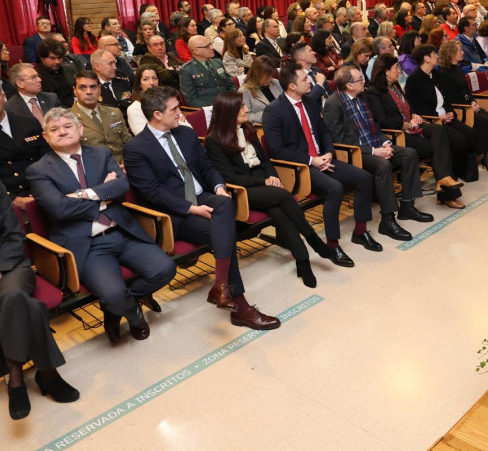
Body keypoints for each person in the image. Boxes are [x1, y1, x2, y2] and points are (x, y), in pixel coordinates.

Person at [124, 86, 281, 330]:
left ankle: (220, 285)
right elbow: (152, 192)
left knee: (225, 201)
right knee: (223, 234)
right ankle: (240, 307)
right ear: (157, 114)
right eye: (175, 109)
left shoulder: (185, 134)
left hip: (203, 196)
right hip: (173, 214)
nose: (181, 113)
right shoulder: (136, 148)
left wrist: (219, 186)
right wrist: (190, 209)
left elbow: (207, 167)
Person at [28, 108, 176, 344]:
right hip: (87, 244)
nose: (62, 132)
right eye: (54, 129)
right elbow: (60, 209)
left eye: (67, 126)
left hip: (122, 231)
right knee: (114, 295)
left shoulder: (100, 153)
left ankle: (118, 307)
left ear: (80, 129)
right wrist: (104, 197)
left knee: (165, 269)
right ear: (46, 137)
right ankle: (131, 312)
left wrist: (82, 194)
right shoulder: (39, 170)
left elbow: (122, 186)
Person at [205, 92, 335, 288]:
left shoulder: (248, 129)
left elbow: (266, 161)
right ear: (229, 111)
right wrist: (265, 182)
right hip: (242, 190)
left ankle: (303, 261)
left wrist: (273, 177)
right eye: (242, 106)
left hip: (264, 183)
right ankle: (313, 238)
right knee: (282, 195)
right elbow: (230, 177)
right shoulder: (214, 140)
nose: (246, 109)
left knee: (278, 212)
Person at [262, 62, 379, 259]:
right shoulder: (274, 110)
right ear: (292, 86)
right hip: (299, 167)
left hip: (322, 159)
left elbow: (324, 131)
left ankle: (360, 232)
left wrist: (329, 152)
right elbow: (277, 151)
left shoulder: (309, 102)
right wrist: (311, 160)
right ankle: (332, 245)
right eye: (304, 79)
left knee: (364, 178)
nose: (310, 81)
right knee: (335, 188)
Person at [323, 65, 433, 240]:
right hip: (355, 152)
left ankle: (407, 205)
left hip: (373, 144)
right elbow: (341, 142)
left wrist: (386, 143)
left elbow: (374, 127)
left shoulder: (361, 97)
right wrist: (375, 151)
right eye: (360, 79)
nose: (364, 81)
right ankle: (387, 220)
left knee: (409, 154)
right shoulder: (333, 104)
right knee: (382, 165)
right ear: (349, 85)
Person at [0, 181, 79, 420]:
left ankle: (15, 377)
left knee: (14, 294)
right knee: (29, 305)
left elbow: (13, 235)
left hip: (10, 265)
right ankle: (47, 373)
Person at [365, 55, 465, 209]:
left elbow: (408, 106)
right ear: (386, 71)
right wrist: (406, 124)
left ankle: (443, 182)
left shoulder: (395, 86)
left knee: (439, 131)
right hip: (397, 133)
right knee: (436, 147)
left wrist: (414, 114)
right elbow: (383, 121)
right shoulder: (374, 92)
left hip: (412, 125)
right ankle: (446, 191)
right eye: (396, 68)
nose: (399, 71)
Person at [405, 45, 479, 182]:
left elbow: (447, 98)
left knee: (471, 134)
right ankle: (453, 172)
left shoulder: (437, 75)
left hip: (446, 116)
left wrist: (449, 112)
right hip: (433, 120)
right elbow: (415, 108)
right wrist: (439, 117)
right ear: (426, 58)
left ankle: (467, 172)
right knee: (459, 141)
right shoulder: (414, 80)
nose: (437, 56)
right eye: (434, 54)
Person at [437, 40, 488, 171]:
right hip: (461, 110)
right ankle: (487, 157)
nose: (463, 52)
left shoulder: (457, 68)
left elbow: (466, 90)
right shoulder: (443, 74)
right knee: (487, 123)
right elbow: (449, 98)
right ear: (451, 53)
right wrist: (468, 107)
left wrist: (473, 101)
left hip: (469, 105)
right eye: (459, 50)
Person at [0, 86, 48, 209]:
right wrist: (12, 199)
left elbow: (47, 158)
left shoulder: (28, 122)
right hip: (8, 200)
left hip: (42, 189)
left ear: (3, 96)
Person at [70, 70, 131, 166]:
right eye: (83, 87)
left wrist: (127, 165)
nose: (89, 92)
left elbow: (128, 143)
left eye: (93, 87)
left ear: (99, 89)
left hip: (123, 166)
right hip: (93, 171)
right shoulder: (68, 119)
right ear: (75, 90)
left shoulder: (114, 113)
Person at [127, 67, 192, 136]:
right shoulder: (134, 108)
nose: (152, 83)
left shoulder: (168, 100)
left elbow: (188, 128)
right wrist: (175, 126)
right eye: (146, 79)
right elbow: (145, 137)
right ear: (139, 84)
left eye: (154, 78)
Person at [179, 35, 237, 107]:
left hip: (229, 103)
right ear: (196, 51)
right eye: (207, 46)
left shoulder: (218, 62)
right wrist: (214, 107)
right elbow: (191, 100)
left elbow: (230, 84)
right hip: (209, 109)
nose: (212, 48)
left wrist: (232, 99)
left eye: (211, 44)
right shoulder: (187, 70)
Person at [90, 49, 133, 117]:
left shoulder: (123, 82)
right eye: (110, 64)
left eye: (114, 63)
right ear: (97, 67)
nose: (115, 67)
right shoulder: (91, 88)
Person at [35, 37, 77, 107]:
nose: (57, 62)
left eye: (59, 58)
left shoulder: (67, 70)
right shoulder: (38, 77)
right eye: (52, 58)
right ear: (42, 58)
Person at [239, 56, 282, 123]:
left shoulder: (275, 83)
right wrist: (269, 114)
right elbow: (245, 116)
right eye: (267, 76)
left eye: (271, 75)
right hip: (264, 125)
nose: (270, 79)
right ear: (257, 74)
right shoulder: (245, 91)